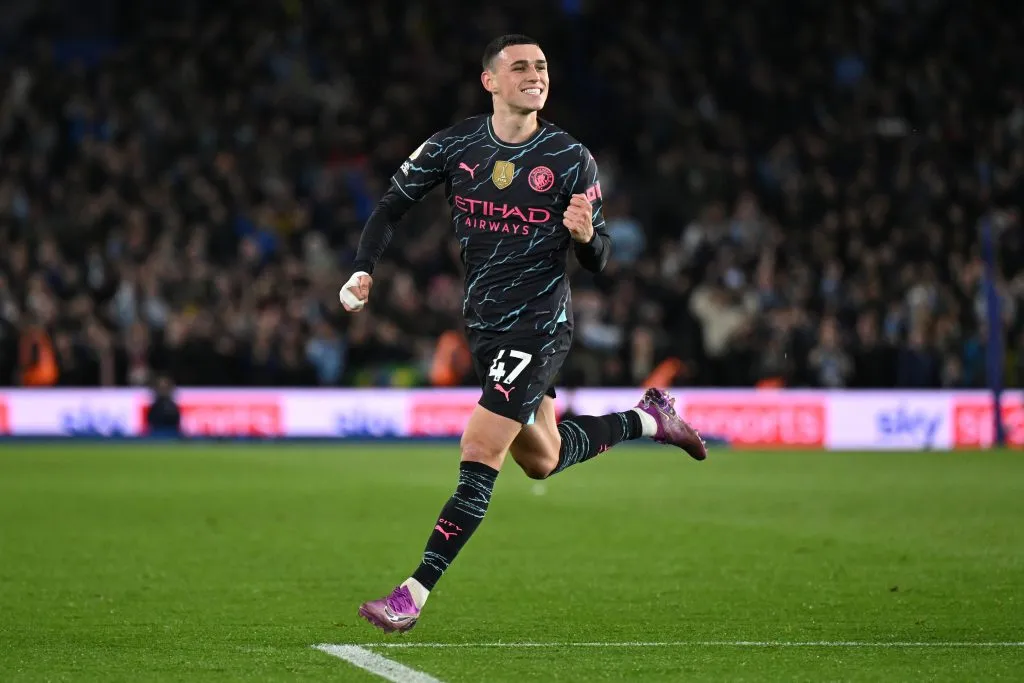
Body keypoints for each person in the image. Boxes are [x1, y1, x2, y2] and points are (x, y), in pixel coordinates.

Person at [340, 34, 708, 634]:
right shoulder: (455, 146)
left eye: (541, 67)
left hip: (538, 325)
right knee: (543, 459)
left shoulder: (570, 158)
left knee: (480, 448)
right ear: (490, 81)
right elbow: (389, 207)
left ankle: (412, 593)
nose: (535, 75)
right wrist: (363, 269)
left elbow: (600, 258)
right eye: (520, 67)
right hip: (485, 326)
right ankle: (648, 420)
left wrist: (586, 236)